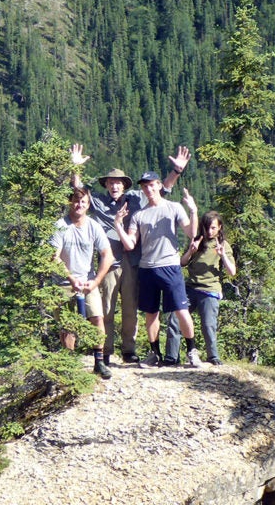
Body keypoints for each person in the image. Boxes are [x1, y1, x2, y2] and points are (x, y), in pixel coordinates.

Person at [70, 144, 191, 365]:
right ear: (106, 185)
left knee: (130, 309)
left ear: (124, 185)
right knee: (106, 309)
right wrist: (75, 167)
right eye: (110, 182)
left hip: (135, 262)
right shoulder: (98, 201)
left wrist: (177, 171)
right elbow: (79, 191)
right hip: (110, 263)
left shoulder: (136, 198)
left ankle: (129, 350)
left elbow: (161, 190)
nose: (114, 186)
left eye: (118, 182)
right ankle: (105, 350)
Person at [114, 172, 202, 368]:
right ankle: (155, 354)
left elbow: (191, 232)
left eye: (152, 185)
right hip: (147, 268)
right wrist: (118, 225)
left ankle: (192, 351)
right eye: (145, 186)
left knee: (181, 310)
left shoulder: (174, 207)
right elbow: (130, 244)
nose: (149, 189)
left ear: (160, 185)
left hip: (170, 266)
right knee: (151, 313)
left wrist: (193, 211)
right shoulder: (139, 215)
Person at [50, 187, 115, 379]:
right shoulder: (60, 226)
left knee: (97, 318)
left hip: (88, 282)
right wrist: (71, 278)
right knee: (67, 325)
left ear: (88, 205)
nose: (79, 205)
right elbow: (53, 256)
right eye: (76, 201)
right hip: (63, 282)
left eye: (83, 202)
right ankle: (70, 365)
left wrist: (96, 281)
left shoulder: (93, 226)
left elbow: (108, 255)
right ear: (71, 202)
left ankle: (99, 361)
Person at [164, 211, 236, 366]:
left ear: (219, 227)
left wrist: (222, 255)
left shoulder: (223, 245)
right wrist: (191, 251)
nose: (209, 231)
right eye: (207, 227)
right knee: (175, 320)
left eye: (213, 228)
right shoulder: (197, 240)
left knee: (208, 324)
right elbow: (182, 263)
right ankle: (171, 356)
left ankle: (213, 356)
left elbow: (232, 271)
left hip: (210, 289)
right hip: (190, 287)